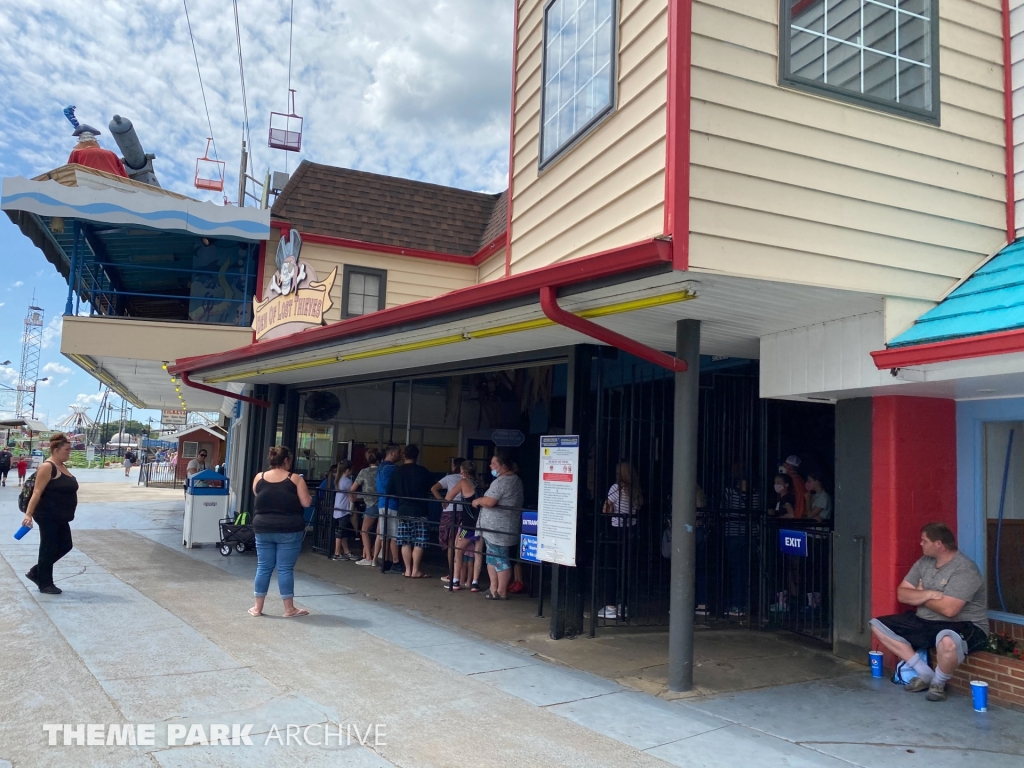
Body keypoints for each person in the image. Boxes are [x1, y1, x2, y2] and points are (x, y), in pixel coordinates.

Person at [870, 523, 988, 702]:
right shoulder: (924, 562)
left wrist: (919, 595)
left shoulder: (965, 569)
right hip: (926, 621)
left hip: (963, 625)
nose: (920, 544)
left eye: (924, 541)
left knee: (947, 641)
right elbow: (902, 594)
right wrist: (929, 594)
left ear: (938, 544)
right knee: (878, 625)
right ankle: (925, 673)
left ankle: (938, 684)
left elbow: (949, 610)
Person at [250, 446, 312, 618]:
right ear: (286, 460)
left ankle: (257, 608)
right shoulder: (295, 479)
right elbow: (306, 503)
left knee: (263, 567)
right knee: (284, 569)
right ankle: (289, 609)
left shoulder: (259, 477)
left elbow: (257, 494)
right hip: (289, 529)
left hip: (263, 527)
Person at [21, 434, 78, 595]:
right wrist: (28, 514)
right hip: (47, 514)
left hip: (60, 516)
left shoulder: (62, 466)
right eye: (67, 450)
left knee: (65, 545)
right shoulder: (48, 467)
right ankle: (45, 583)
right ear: (56, 450)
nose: (69, 452)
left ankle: (36, 572)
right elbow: (37, 491)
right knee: (48, 546)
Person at [472, 451, 524, 600]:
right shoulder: (512, 480)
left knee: (500, 559)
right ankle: (493, 588)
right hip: (494, 529)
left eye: (494, 463)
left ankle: (500, 591)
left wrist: (478, 500)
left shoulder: (504, 481)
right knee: (491, 558)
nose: (490, 465)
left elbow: (490, 501)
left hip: (498, 529)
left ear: (503, 465)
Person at [599, 462, 644, 619]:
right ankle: (623, 605)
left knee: (612, 567)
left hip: (616, 530)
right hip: (631, 531)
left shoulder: (615, 488)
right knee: (625, 568)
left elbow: (605, 509)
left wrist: (609, 508)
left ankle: (610, 606)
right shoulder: (636, 490)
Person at [387, 444, 434, 578]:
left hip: (403, 509)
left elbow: (389, 490)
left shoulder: (397, 471)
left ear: (404, 455)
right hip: (420, 510)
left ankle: (407, 570)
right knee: (420, 541)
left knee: (405, 541)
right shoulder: (423, 471)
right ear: (417, 456)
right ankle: (416, 570)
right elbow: (432, 487)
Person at [442, 461, 483, 591]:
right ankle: (475, 583)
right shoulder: (480, 483)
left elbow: (449, 497)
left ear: (464, 473)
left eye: (460, 471)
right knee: (478, 553)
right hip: (482, 523)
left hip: (468, 524)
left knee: (458, 550)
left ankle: (455, 581)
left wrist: (444, 503)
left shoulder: (463, 482)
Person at [432, 457, 466, 580]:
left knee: (451, 543)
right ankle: (464, 576)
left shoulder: (449, 478)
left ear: (455, 466)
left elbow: (434, 488)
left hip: (449, 513)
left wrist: (442, 500)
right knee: (462, 541)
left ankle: (453, 574)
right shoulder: (469, 479)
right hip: (464, 513)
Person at [375, 444, 403, 574]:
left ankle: (385, 560)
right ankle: (396, 562)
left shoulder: (380, 467)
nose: (400, 455)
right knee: (393, 534)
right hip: (392, 503)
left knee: (385, 534)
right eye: (399, 452)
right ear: (392, 453)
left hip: (382, 502)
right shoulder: (394, 469)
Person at [351, 449, 381, 565]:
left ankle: (368, 557)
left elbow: (352, 489)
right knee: (380, 533)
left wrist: (353, 498)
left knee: (364, 531)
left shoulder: (364, 472)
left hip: (370, 505)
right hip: (383, 504)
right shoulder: (381, 470)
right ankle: (376, 558)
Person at [332, 461, 358, 560]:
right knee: (341, 532)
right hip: (344, 508)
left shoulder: (338, 479)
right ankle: (337, 553)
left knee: (342, 532)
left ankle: (346, 551)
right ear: (348, 470)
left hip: (337, 508)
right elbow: (352, 496)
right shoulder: (348, 481)